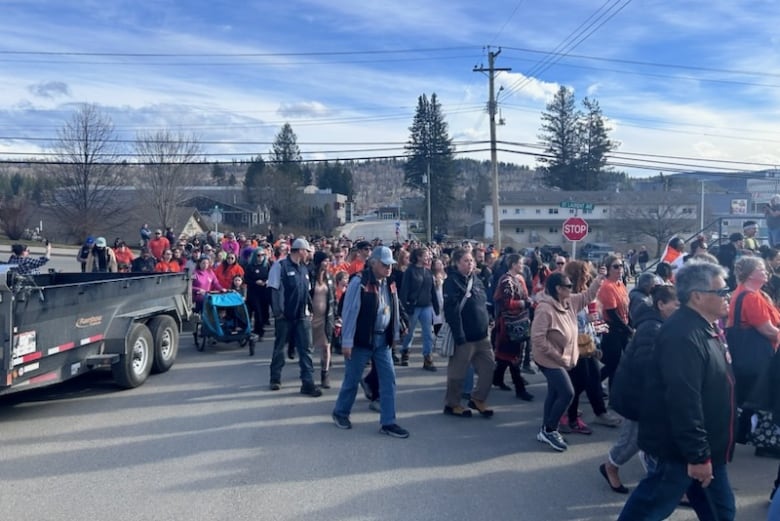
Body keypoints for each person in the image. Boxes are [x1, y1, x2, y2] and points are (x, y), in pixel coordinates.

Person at [617, 260, 736, 521]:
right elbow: (684, 400)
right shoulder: (682, 335)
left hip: (706, 448)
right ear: (697, 296)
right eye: (721, 291)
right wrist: (698, 456)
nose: (728, 295)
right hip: (683, 451)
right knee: (647, 510)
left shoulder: (705, 327)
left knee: (722, 513)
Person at [601, 285, 679, 495]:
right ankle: (610, 466)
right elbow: (646, 365)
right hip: (638, 395)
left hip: (650, 394)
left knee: (652, 441)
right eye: (676, 304)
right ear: (661, 304)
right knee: (631, 441)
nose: (679, 309)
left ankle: (661, 484)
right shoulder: (652, 328)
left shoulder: (662, 323)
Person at [332, 246, 410, 438]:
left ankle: (388, 422)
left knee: (388, 380)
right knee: (351, 379)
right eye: (384, 265)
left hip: (383, 340)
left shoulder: (390, 282)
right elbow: (349, 313)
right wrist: (347, 341)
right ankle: (340, 413)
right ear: (373, 263)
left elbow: (394, 307)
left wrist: (397, 331)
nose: (388, 268)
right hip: (362, 341)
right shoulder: (359, 282)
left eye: (390, 264)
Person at [531, 266, 606, 452]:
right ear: (558, 288)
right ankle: (550, 429)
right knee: (567, 392)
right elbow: (538, 339)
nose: (572, 289)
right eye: (568, 286)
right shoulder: (545, 309)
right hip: (550, 359)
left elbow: (587, 296)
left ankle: (544, 428)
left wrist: (599, 279)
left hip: (564, 357)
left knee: (554, 393)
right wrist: (558, 357)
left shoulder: (569, 302)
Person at [560, 260, 619, 435]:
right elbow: (572, 325)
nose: (587, 276)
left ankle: (600, 412)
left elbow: (589, 319)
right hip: (575, 346)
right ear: (576, 275)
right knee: (578, 382)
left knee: (593, 378)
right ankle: (566, 415)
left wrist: (595, 340)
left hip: (588, 344)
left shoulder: (583, 293)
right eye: (584, 273)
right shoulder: (568, 297)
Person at [725, 256, 780, 445]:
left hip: (748, 355)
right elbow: (767, 330)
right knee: (762, 397)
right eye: (761, 269)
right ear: (750, 274)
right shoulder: (750, 297)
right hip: (758, 356)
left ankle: (744, 433)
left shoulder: (746, 294)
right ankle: (764, 439)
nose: (766, 272)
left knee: (751, 398)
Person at [442, 247, 495, 418]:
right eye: (466, 261)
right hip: (464, 337)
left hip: (482, 336)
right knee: (457, 374)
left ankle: (478, 399)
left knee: (489, 367)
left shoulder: (477, 280)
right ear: (457, 263)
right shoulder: (451, 282)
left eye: (471, 260)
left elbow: (482, 302)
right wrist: (459, 335)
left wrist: (489, 319)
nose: (470, 263)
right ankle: (453, 404)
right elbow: (452, 311)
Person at [268, 238, 322, 397]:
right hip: (285, 316)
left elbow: (307, 292)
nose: (309, 255)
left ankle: (308, 382)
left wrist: (310, 309)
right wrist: (278, 312)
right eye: (307, 252)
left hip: (302, 316)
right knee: (279, 348)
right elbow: (274, 290)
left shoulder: (304, 269)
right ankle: (275, 378)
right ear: (300, 251)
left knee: (306, 349)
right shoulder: (280, 266)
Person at [491, 253, 534, 401]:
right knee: (514, 356)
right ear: (513, 264)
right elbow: (506, 304)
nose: (522, 266)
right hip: (509, 324)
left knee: (507, 355)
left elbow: (525, 295)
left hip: (521, 320)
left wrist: (530, 300)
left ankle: (497, 378)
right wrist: (524, 303)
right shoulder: (506, 281)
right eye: (520, 263)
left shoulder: (520, 278)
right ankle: (520, 388)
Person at [399, 247, 439, 371]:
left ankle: (427, 358)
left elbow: (432, 290)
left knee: (428, 334)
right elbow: (404, 290)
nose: (428, 258)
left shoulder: (428, 272)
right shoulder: (410, 271)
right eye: (425, 255)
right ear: (418, 257)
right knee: (409, 333)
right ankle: (405, 352)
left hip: (426, 306)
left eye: (428, 255)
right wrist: (404, 309)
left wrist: (436, 306)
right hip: (413, 307)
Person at [597, 254, 632, 392]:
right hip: (611, 328)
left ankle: (613, 389)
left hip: (622, 328)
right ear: (608, 269)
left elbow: (626, 308)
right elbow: (612, 313)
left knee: (622, 362)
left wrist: (631, 324)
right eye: (616, 266)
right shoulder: (607, 286)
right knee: (613, 363)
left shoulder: (620, 284)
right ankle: (596, 386)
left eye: (621, 266)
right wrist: (627, 329)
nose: (620, 269)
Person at [310, 251, 336, 389]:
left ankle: (325, 374)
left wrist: (337, 317)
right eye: (325, 261)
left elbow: (333, 299)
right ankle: (307, 374)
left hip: (326, 317)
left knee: (326, 346)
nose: (327, 264)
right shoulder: (310, 276)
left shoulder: (330, 277)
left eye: (329, 261)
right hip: (311, 317)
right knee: (309, 348)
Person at [244, 246, 272, 339]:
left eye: (262, 255)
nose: (260, 257)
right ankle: (258, 331)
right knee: (257, 312)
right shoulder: (250, 267)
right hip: (253, 292)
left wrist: (267, 281)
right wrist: (255, 282)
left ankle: (260, 329)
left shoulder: (267, 265)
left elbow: (270, 276)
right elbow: (246, 279)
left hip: (264, 291)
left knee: (264, 312)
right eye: (258, 255)